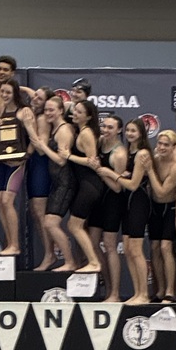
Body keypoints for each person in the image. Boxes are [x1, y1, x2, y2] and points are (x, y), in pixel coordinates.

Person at [30, 94, 77, 271]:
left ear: (61, 111)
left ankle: (70, 261)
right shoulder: (56, 128)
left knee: (50, 223)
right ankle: (68, 260)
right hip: (58, 183)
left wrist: (43, 146)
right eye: (46, 110)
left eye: (52, 110)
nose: (48, 113)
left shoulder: (64, 130)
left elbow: (61, 160)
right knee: (48, 222)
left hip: (65, 183)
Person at [0, 80, 35, 256]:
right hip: (1, 162)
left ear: (15, 93)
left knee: (7, 201)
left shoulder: (24, 112)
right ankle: (9, 243)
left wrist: (24, 158)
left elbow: (34, 139)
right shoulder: (0, 109)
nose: (4, 95)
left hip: (16, 164)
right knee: (0, 201)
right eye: (2, 92)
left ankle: (15, 245)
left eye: (8, 92)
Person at [142, 129, 176, 303]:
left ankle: (170, 291)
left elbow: (161, 192)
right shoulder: (155, 159)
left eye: (166, 145)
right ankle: (160, 290)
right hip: (155, 208)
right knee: (154, 247)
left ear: (174, 147)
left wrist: (150, 171)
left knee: (166, 247)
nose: (161, 147)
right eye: (159, 143)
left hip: (170, 207)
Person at [61, 100, 103, 273]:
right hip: (84, 185)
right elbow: (63, 105)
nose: (74, 114)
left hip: (90, 185)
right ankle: (90, 261)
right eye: (74, 110)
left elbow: (92, 161)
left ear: (89, 117)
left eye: (79, 112)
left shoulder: (86, 133)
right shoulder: (80, 131)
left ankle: (94, 262)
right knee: (77, 226)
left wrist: (68, 156)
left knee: (74, 225)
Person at [89, 114, 128, 301]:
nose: (105, 130)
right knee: (92, 243)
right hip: (97, 199)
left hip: (113, 201)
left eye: (110, 127)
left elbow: (117, 187)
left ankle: (115, 293)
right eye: (103, 126)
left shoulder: (119, 154)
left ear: (119, 130)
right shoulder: (99, 142)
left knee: (110, 246)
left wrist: (100, 171)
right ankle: (107, 286)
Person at [115, 118, 153, 304]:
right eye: (128, 130)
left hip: (138, 202)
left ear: (141, 134)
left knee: (136, 251)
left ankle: (144, 294)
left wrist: (113, 175)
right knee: (128, 250)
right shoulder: (128, 151)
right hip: (126, 203)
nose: (130, 134)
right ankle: (137, 292)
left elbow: (133, 185)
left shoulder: (142, 153)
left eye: (133, 131)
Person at [26, 88, 55, 268]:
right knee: (36, 213)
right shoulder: (35, 114)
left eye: (39, 97)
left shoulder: (43, 119)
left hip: (42, 166)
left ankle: (50, 255)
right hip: (33, 165)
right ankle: (48, 253)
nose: (35, 98)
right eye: (34, 95)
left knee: (40, 211)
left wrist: (29, 126)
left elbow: (40, 148)